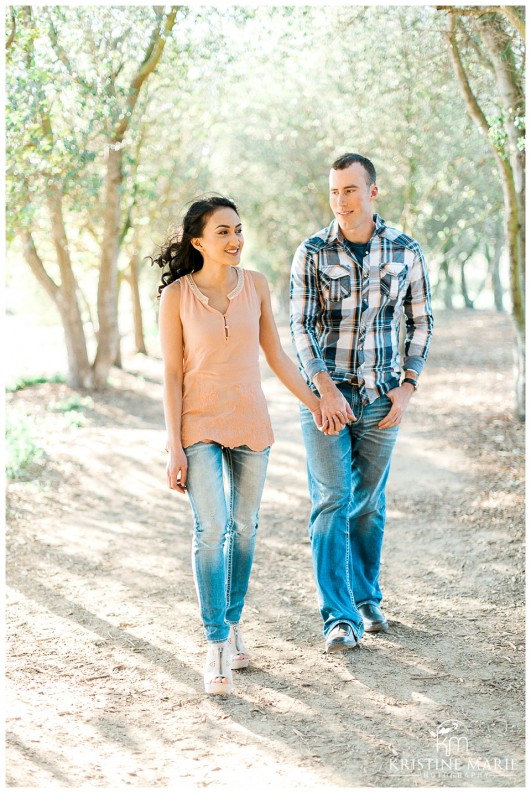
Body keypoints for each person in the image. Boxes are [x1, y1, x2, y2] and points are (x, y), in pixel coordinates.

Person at [155, 196, 328, 695]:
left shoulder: (256, 285)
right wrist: (173, 446)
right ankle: (214, 647)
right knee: (212, 529)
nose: (235, 240)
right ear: (198, 242)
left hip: (251, 421)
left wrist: (316, 404)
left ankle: (232, 624)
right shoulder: (177, 297)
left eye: (238, 230)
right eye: (223, 232)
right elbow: (170, 373)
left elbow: (276, 354)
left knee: (245, 529)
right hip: (198, 425)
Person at [290, 153, 433, 653]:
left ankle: (367, 596)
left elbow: (421, 322)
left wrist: (408, 385)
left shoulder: (405, 250)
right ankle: (339, 617)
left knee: (368, 505)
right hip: (326, 401)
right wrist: (323, 389)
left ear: (373, 192)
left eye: (350, 190)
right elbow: (301, 326)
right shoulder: (311, 251)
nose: (341, 200)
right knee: (331, 499)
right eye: (334, 191)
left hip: (381, 398)